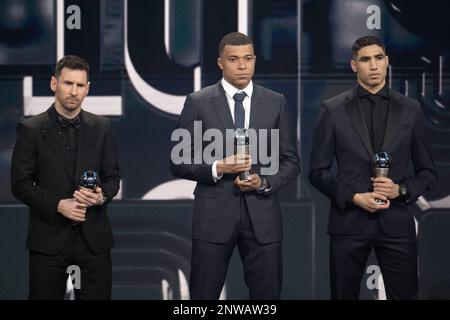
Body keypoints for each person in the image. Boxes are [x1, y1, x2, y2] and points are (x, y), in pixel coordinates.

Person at [170, 32, 300, 299]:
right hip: (213, 218)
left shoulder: (276, 102)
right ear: (221, 63)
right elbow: (178, 161)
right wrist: (219, 167)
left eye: (248, 59)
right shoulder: (199, 102)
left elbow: (290, 162)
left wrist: (264, 182)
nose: (242, 66)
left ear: (254, 60)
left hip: (263, 218)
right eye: (234, 59)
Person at [308, 36, 437, 300]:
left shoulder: (411, 110)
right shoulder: (332, 110)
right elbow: (317, 172)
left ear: (387, 61)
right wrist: (355, 197)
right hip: (348, 224)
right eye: (366, 60)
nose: (374, 65)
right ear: (354, 65)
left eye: (379, 58)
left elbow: (428, 172)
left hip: (397, 224)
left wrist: (399, 189)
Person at [11, 55, 120, 299]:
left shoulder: (103, 127)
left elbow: (112, 178)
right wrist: (58, 205)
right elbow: (20, 184)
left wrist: (101, 196)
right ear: (54, 84)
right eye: (67, 83)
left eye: (80, 85)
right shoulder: (30, 129)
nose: (73, 91)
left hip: (94, 242)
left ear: (88, 89)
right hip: (48, 241)